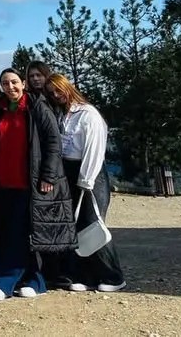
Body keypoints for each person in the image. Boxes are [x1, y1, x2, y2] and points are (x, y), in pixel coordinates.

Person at [0, 68, 75, 301]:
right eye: (5, 83)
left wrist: (48, 176)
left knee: (19, 233)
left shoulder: (37, 107)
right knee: (14, 233)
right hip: (4, 183)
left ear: (23, 83)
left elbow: (53, 142)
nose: (10, 87)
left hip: (31, 183)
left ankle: (5, 282)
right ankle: (36, 281)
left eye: (14, 82)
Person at [44, 73, 125, 292]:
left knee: (92, 222)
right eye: (51, 93)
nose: (56, 95)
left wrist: (86, 181)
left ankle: (113, 276)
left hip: (89, 172)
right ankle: (85, 275)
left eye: (58, 90)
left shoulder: (88, 114)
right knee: (74, 226)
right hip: (68, 171)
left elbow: (94, 150)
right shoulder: (62, 114)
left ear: (67, 87)